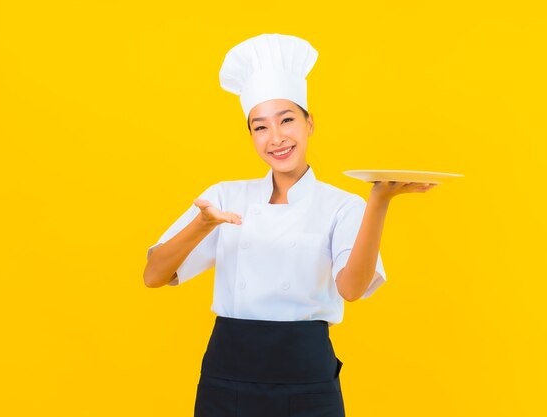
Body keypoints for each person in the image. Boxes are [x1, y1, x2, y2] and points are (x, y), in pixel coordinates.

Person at [143, 33, 436, 417]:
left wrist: (378, 202)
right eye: (261, 127)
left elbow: (351, 289)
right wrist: (203, 225)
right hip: (228, 374)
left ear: (309, 123)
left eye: (287, 120)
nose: (276, 138)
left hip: (307, 377)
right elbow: (153, 275)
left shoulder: (341, 205)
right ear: (251, 135)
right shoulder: (224, 196)